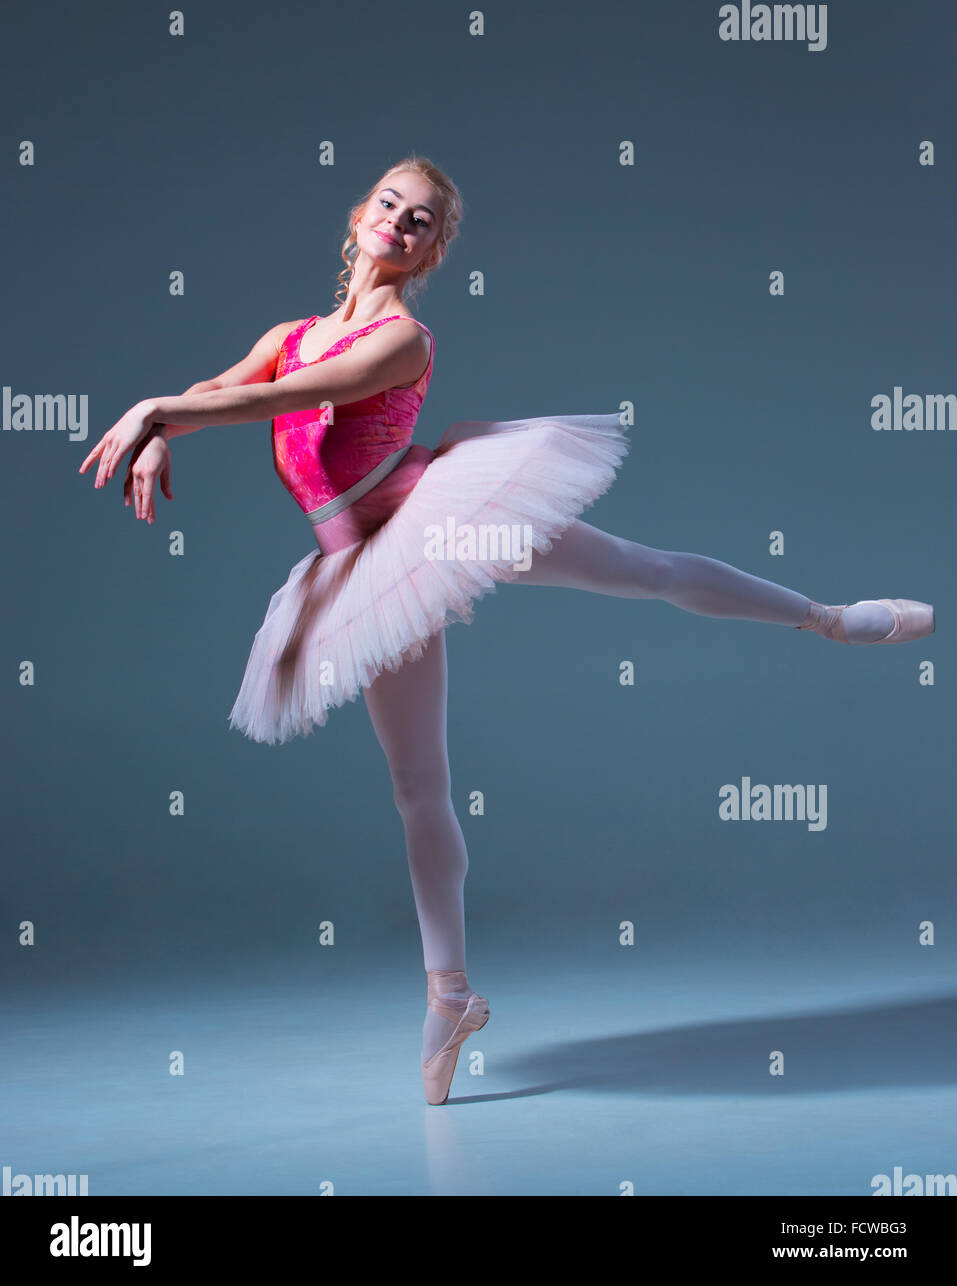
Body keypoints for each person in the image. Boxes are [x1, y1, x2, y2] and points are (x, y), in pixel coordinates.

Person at [78, 155, 936, 1105]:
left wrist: (157, 409)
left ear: (435, 249)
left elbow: (268, 405)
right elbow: (223, 386)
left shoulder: (404, 338)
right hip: (359, 566)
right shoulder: (290, 333)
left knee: (641, 572)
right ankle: (451, 994)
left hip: (439, 515)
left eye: (423, 221)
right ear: (361, 214)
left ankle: (828, 620)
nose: (400, 225)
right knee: (417, 784)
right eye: (391, 206)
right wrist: (162, 427)